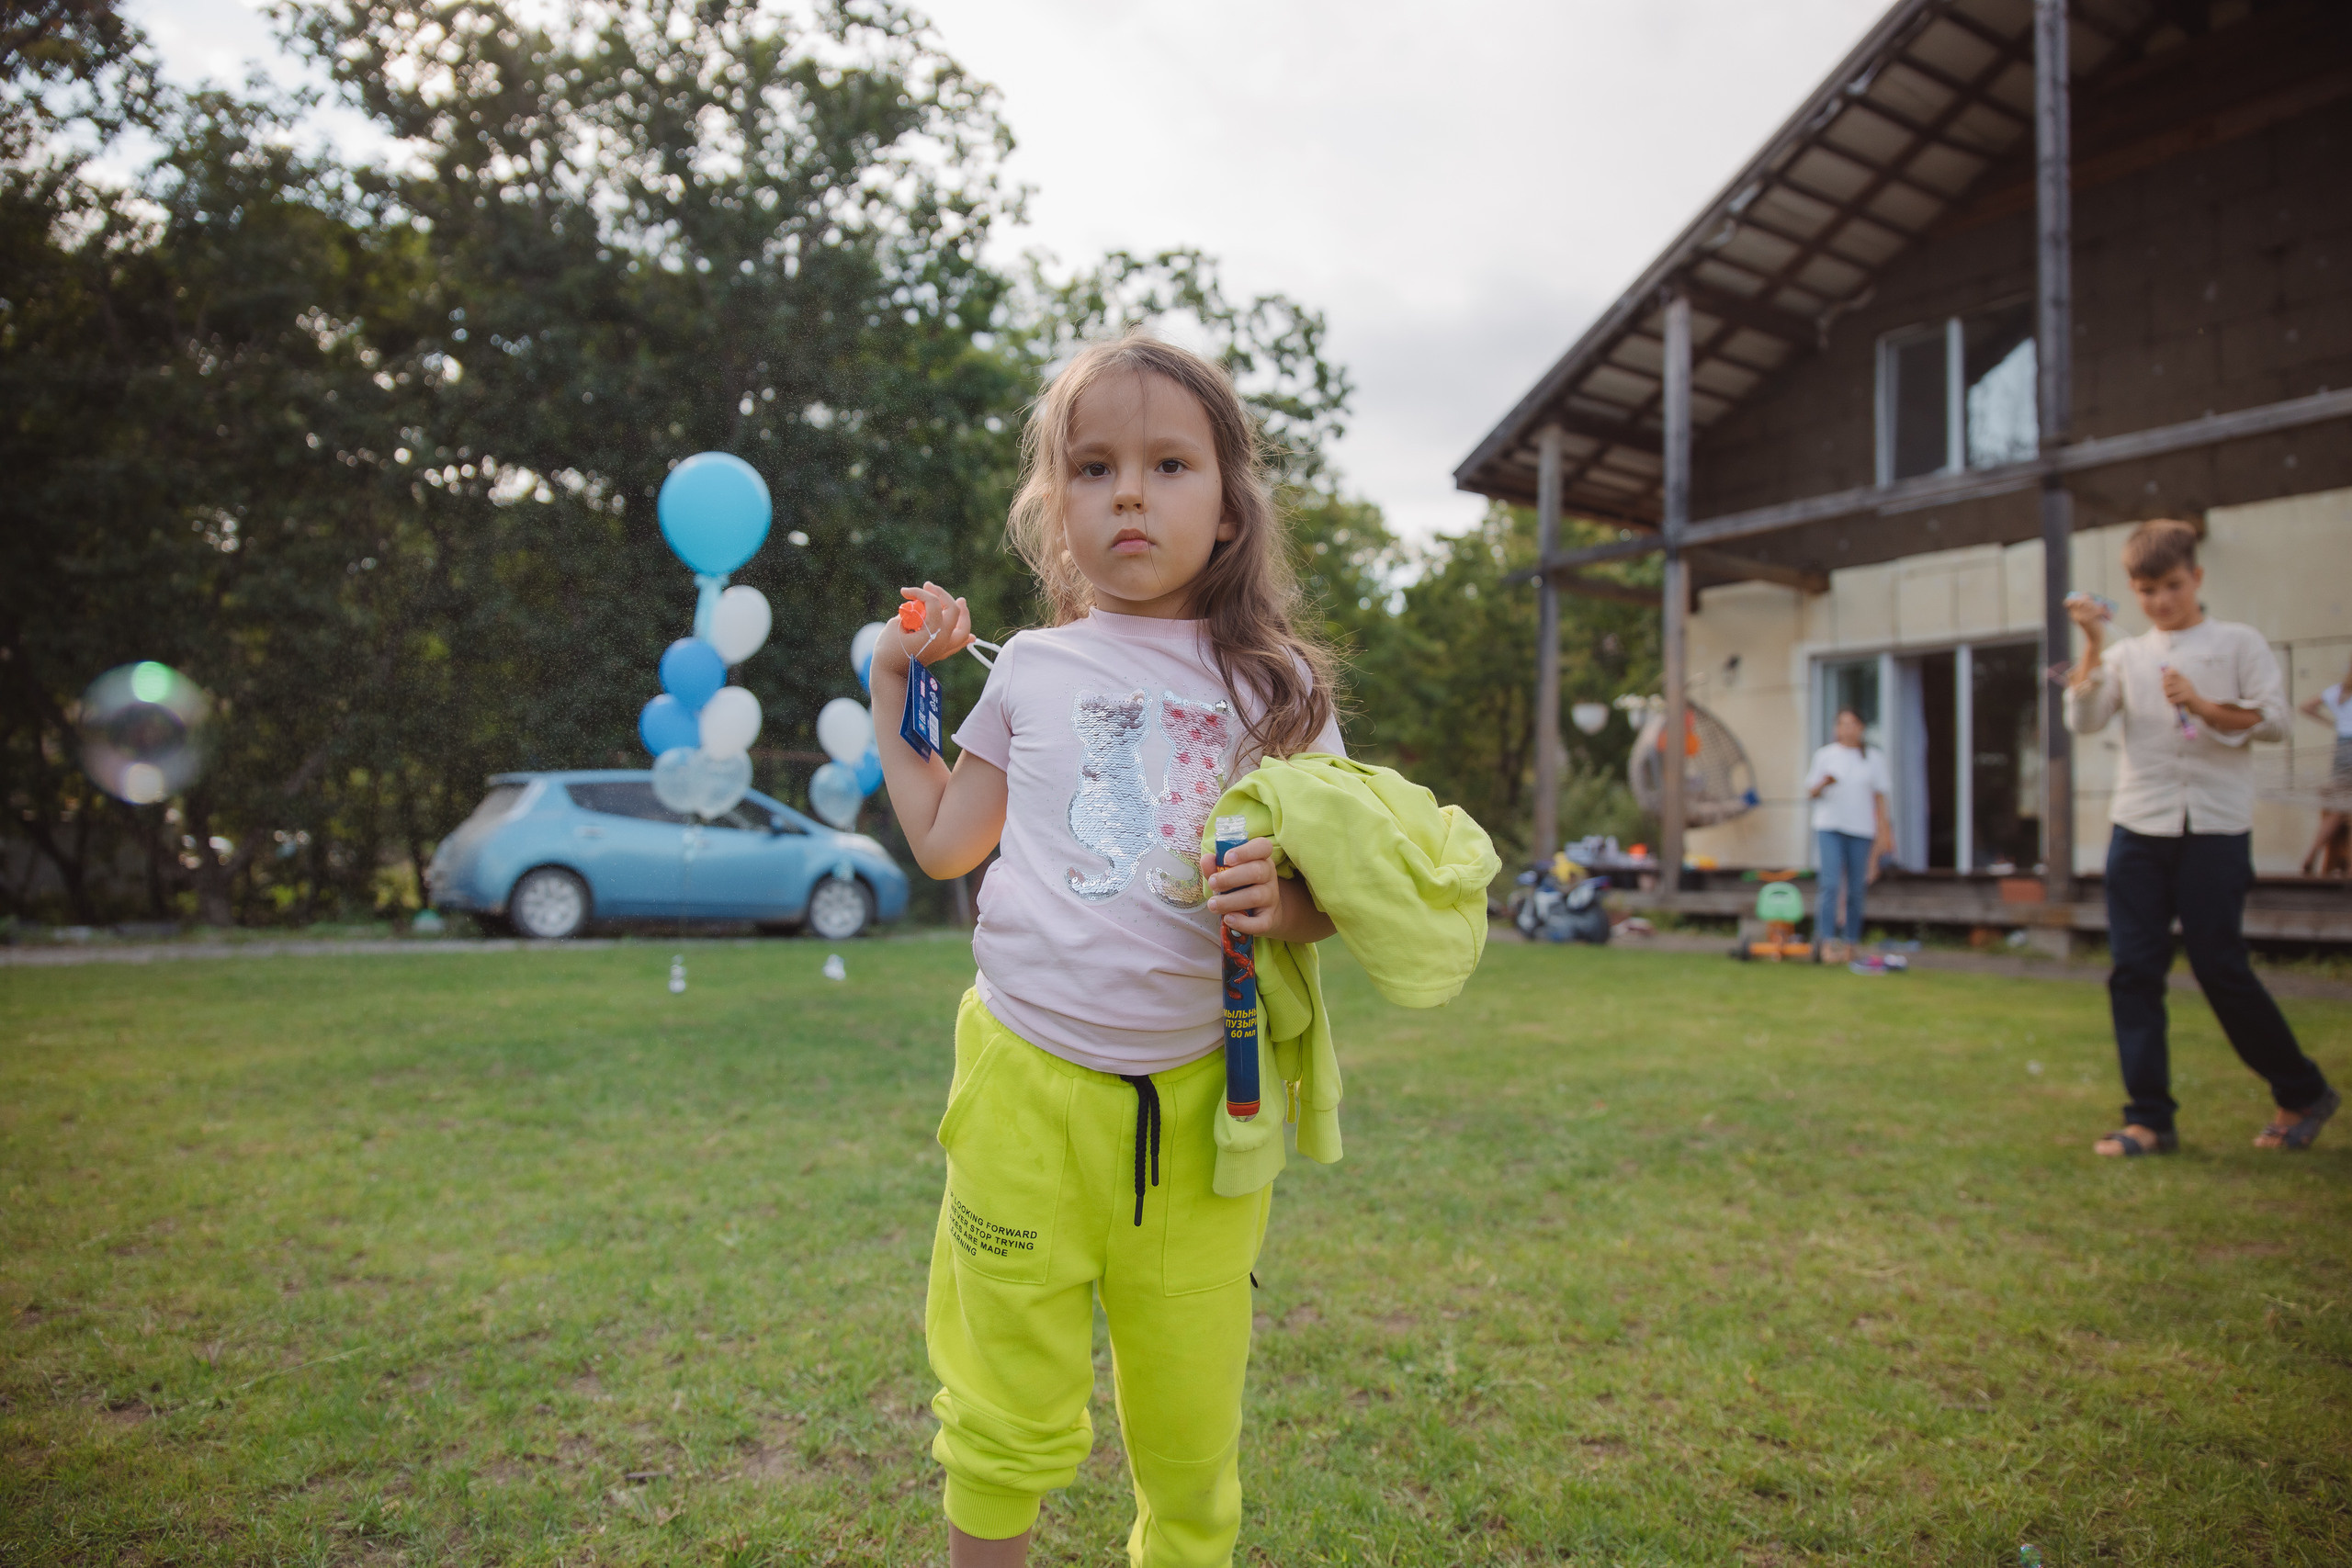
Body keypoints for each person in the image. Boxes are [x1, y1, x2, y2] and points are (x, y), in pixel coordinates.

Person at [867, 335, 1350, 1568]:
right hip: (1023, 1089)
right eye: (1093, 467)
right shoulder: (1030, 668)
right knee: (1000, 1403)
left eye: (1168, 462)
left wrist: (1283, 900)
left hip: (1200, 1112)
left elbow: (1346, 892)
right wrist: (890, 689)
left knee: (1192, 1436)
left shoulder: (1282, 687)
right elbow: (940, 840)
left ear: (1230, 505)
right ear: (1054, 508)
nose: (1129, 492)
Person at [2064, 518, 2338, 1156]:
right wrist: (2091, 641)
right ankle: (2149, 1119)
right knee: (2134, 971)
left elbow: (2273, 723)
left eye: (2172, 585)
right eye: (2146, 589)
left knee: (2220, 967)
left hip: (2214, 827)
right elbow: (2082, 717)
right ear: (2132, 590)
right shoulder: (2126, 654)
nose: (2161, 600)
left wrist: (2206, 704)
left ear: (2197, 578)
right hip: (2138, 826)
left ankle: (2302, 1090)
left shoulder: (2239, 643)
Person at [1804, 707, 1894, 963]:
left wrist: (1883, 836)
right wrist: (1824, 783)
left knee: (1856, 889)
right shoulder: (1825, 756)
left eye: (1852, 724)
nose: (1847, 729)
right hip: (1830, 827)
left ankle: (1851, 944)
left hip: (1861, 830)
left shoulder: (1873, 758)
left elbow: (1881, 801)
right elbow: (1810, 792)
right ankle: (1825, 943)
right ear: (1836, 729)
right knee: (1830, 884)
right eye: (1842, 724)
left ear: (1861, 728)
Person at [2295, 653, 2352, 877]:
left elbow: (2306, 706)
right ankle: (2347, 867)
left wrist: (2335, 723)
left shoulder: (2339, 691)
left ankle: (2312, 855)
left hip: (2342, 747)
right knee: (2344, 809)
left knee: (2340, 809)